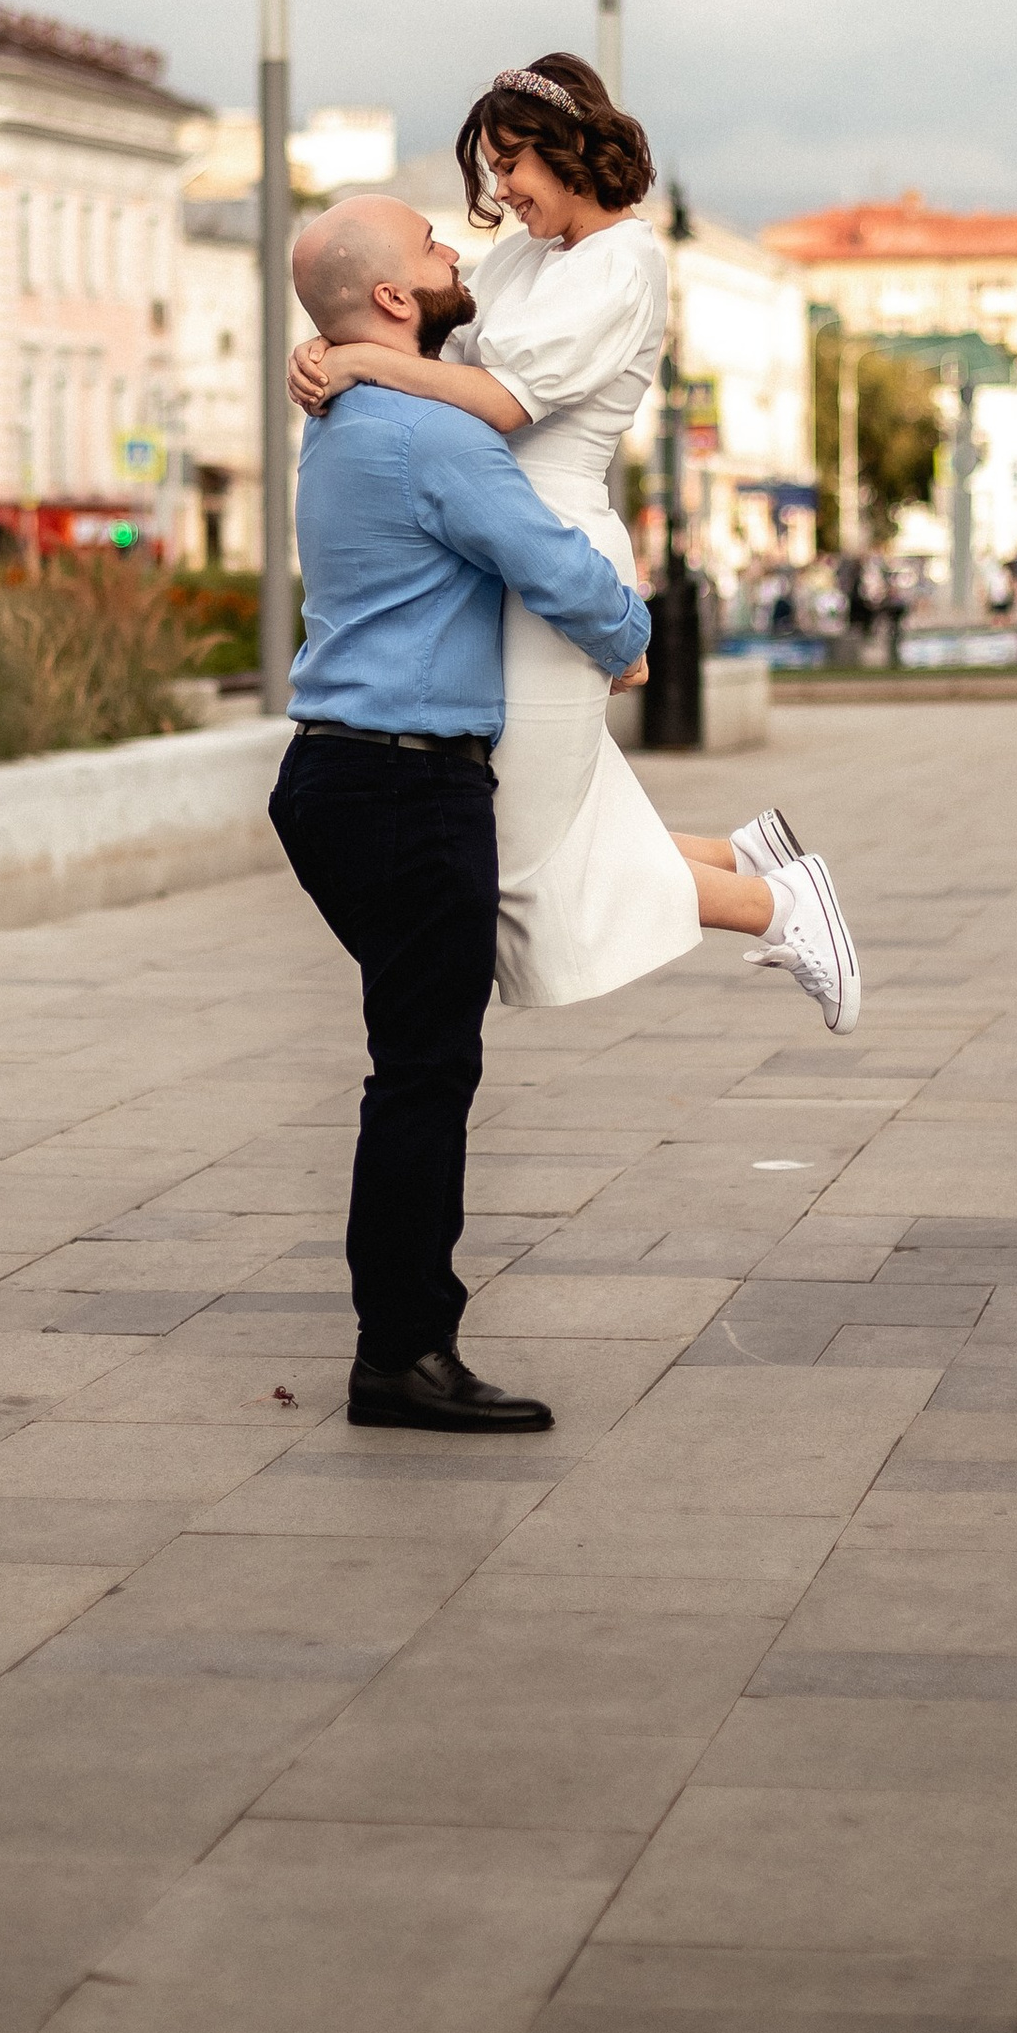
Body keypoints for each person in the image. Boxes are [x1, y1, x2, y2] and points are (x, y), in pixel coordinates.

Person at [291, 55, 859, 1031]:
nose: (499, 190)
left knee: (511, 844)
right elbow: (430, 348)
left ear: (570, 154)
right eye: (491, 167)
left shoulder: (622, 263)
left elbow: (500, 400)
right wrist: (333, 344)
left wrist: (352, 360)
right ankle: (745, 859)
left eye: (511, 163)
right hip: (494, 540)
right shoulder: (527, 256)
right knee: (532, 809)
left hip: (550, 534)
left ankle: (778, 904)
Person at [271, 192, 655, 1437]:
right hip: (405, 784)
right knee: (423, 1074)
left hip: (335, 779)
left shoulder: (343, 419)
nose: (456, 255)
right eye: (435, 248)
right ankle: (402, 1353)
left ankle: (405, 1335)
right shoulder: (428, 438)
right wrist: (630, 636)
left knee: (414, 1063)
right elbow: (547, 564)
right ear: (392, 299)